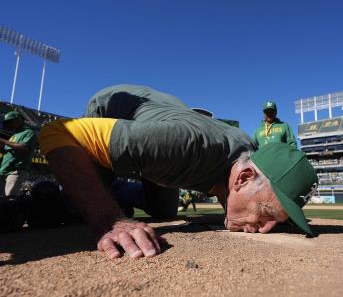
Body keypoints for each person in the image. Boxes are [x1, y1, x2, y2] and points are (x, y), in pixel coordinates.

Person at [38, 84, 318, 260]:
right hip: (114, 109)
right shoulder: (182, 146)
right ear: (243, 178)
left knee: (164, 211)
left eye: (275, 220)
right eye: (268, 214)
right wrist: (108, 218)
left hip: (167, 127)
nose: (267, 228)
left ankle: (124, 191)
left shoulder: (250, 156)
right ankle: (102, 193)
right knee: (77, 207)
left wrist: (276, 209)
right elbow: (56, 132)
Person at [0, 111, 37, 198]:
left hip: (15, 170)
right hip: (4, 170)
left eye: (10, 121)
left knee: (10, 198)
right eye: (7, 123)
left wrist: (3, 141)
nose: (8, 124)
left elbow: (24, 148)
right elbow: (8, 151)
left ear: (18, 119)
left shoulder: (29, 132)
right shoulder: (15, 135)